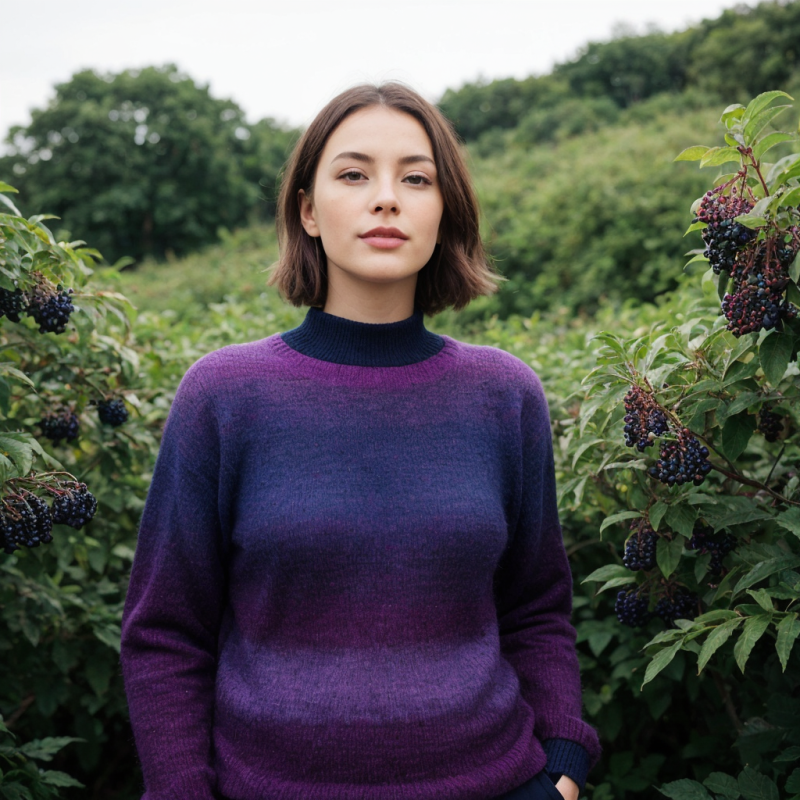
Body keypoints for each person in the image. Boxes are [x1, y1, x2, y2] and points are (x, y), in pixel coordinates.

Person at [119, 81, 602, 800]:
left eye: (416, 177)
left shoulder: (504, 395)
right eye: (354, 174)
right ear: (308, 211)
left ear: (445, 210)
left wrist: (562, 766)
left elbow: (536, 607)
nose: (387, 198)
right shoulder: (224, 395)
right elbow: (164, 635)